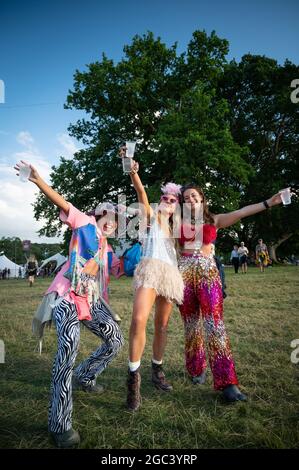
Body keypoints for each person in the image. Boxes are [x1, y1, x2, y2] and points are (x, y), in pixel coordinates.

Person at [14, 160, 124, 448]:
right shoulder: (84, 222)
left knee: (114, 340)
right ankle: (59, 424)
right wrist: (38, 180)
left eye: (117, 219)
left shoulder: (107, 248)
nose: (112, 221)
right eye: (109, 215)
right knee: (67, 351)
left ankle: (85, 376)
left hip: (91, 299)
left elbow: (113, 274)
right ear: (99, 215)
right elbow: (62, 201)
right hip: (66, 297)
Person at [178, 183, 283, 401]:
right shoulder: (175, 222)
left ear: (202, 199)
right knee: (191, 325)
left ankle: (228, 383)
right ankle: (196, 368)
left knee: (214, 325)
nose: (191, 200)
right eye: (186, 197)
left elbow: (242, 211)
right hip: (183, 276)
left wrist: (268, 203)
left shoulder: (214, 219)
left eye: (194, 196)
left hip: (208, 274)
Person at [119, 148, 184, 412]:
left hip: (170, 276)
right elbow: (141, 194)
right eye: (164, 197)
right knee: (138, 320)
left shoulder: (179, 228)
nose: (167, 200)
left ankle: (157, 370)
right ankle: (133, 381)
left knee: (162, 326)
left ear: (176, 203)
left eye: (172, 198)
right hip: (150, 271)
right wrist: (133, 171)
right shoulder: (151, 217)